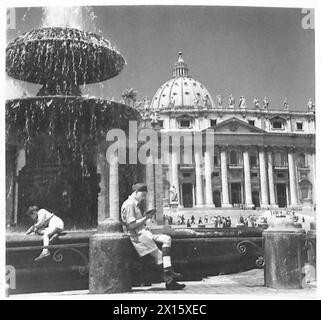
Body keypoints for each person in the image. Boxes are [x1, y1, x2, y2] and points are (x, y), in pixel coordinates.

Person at [121, 183, 185, 291]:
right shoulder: (129, 205)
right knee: (159, 256)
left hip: (145, 234)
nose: (144, 197)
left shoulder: (134, 204)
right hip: (139, 237)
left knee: (167, 239)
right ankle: (170, 281)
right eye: (143, 195)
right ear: (135, 192)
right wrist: (146, 218)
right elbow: (131, 225)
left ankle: (168, 270)